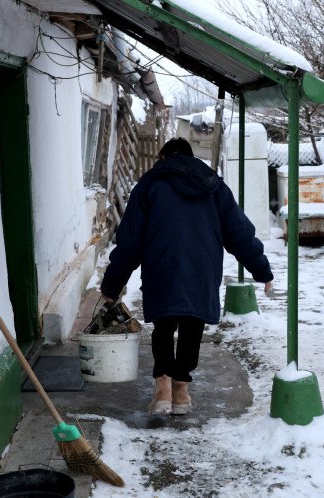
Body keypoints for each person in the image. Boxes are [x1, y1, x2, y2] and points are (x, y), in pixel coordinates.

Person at [100, 137, 273, 415]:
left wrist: (112, 284)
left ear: (163, 158)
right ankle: (180, 393)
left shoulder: (150, 184)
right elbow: (239, 233)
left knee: (164, 325)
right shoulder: (214, 186)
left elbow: (130, 240)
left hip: (162, 266)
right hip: (202, 269)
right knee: (193, 327)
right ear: (192, 158)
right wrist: (261, 269)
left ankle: (162, 391)